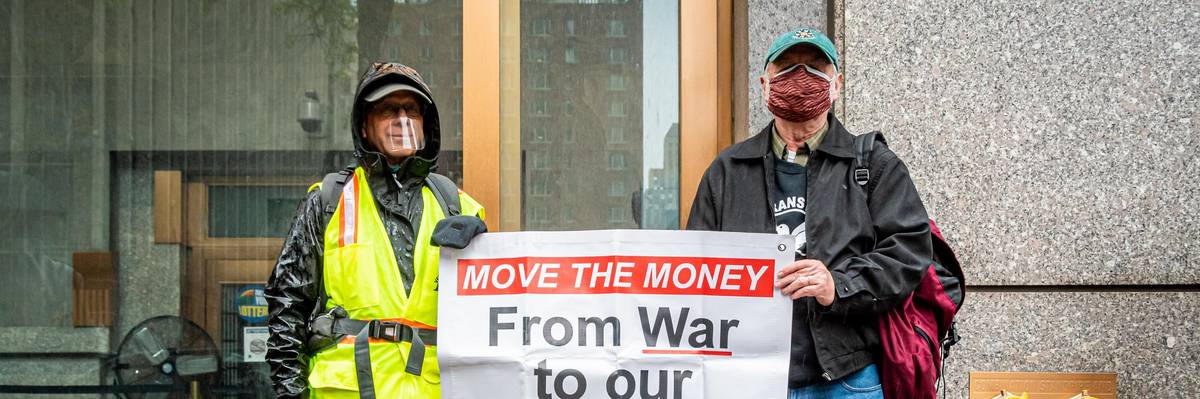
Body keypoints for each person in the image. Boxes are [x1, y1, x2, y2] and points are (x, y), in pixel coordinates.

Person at [686, 28, 933, 398]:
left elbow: (909, 254)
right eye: (786, 66)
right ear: (764, 84)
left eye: (816, 66)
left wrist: (838, 285)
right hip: (748, 376)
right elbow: (694, 266)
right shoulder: (728, 170)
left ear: (837, 84)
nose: (801, 76)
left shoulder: (874, 165)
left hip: (847, 377)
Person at [266, 62, 487, 399]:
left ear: (425, 125)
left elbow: (491, 317)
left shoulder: (459, 207)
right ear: (364, 127)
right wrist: (291, 394)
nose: (402, 120)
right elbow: (287, 306)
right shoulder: (328, 201)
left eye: (411, 110)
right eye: (387, 110)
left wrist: (484, 247)